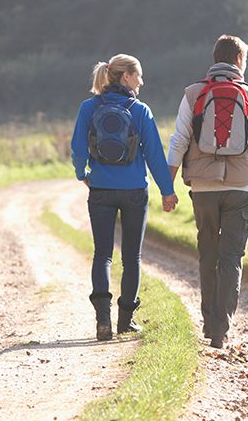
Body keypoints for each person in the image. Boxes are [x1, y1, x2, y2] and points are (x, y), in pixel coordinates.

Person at [167, 35, 248, 349]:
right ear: (239, 60)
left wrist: (166, 186)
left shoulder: (192, 93)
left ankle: (208, 319)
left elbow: (179, 141)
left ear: (215, 59)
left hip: (202, 187)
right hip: (241, 187)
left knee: (207, 254)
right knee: (231, 258)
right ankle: (220, 331)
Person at [71, 54, 179, 341]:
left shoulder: (88, 107)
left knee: (102, 254)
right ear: (126, 76)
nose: (142, 81)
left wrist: (83, 173)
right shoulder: (140, 110)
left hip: (101, 191)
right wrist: (167, 192)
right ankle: (125, 320)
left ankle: (102, 320)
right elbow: (155, 155)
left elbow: (78, 148)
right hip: (134, 191)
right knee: (132, 257)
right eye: (138, 75)